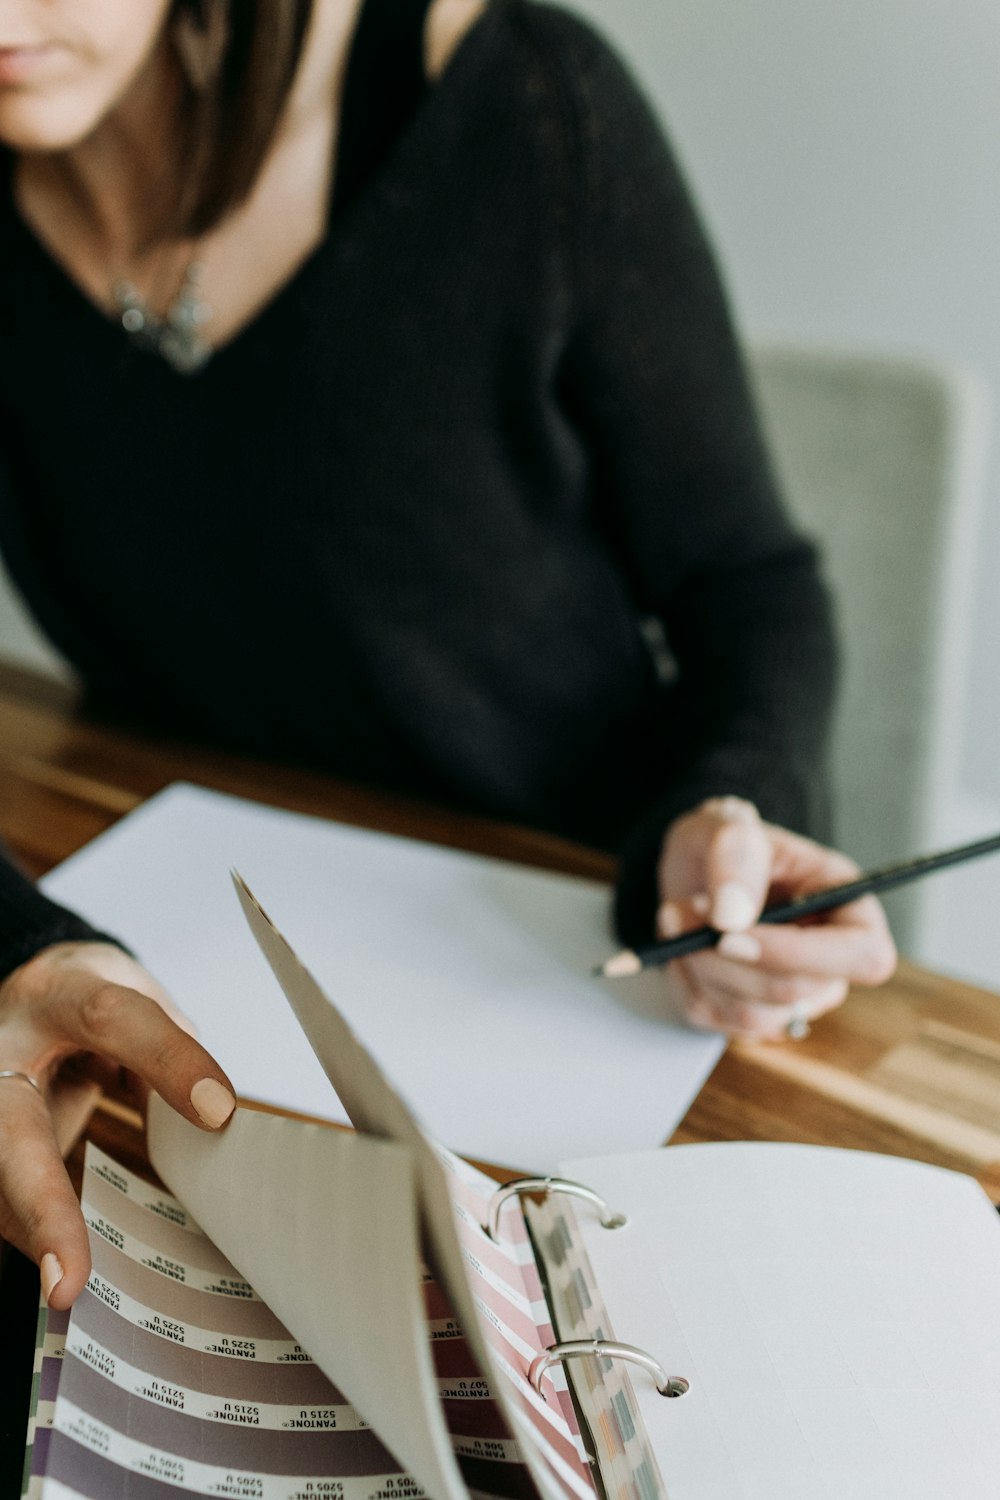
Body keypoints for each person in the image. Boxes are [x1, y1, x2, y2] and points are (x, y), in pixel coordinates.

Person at [0, 0, 896, 1309]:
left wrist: (734, 802)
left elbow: (745, 584)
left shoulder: (519, 103)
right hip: (184, 988)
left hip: (590, 974)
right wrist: (15, 941)